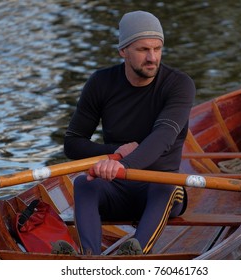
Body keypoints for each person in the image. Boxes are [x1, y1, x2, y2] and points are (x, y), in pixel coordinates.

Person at [64, 10, 196, 255]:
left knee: (166, 188)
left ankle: (135, 258)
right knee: (84, 184)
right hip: (117, 188)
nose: (152, 57)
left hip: (161, 187)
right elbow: (72, 143)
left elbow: (163, 137)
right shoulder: (101, 83)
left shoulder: (179, 84)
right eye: (143, 49)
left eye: (157, 49)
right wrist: (113, 153)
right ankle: (89, 259)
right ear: (123, 51)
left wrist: (123, 164)